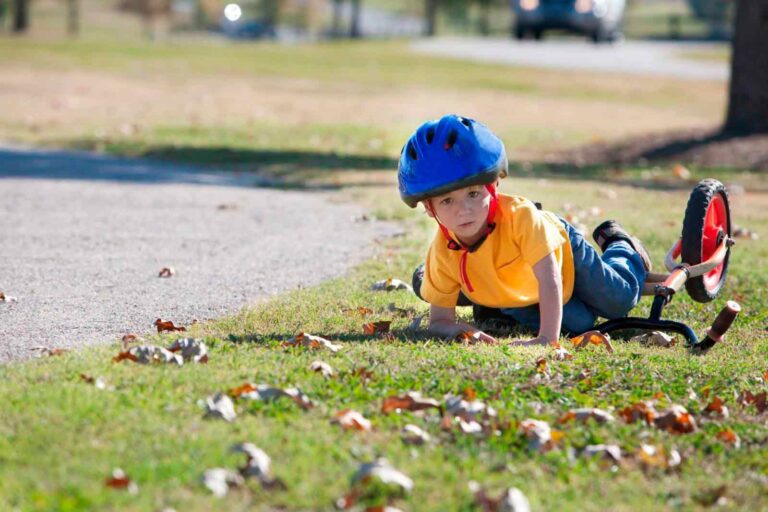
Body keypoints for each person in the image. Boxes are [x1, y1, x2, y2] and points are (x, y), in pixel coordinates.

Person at [399, 114, 651, 345]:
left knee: (618, 300)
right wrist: (463, 329)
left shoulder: (523, 219)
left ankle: (620, 244)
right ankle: (495, 307)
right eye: (447, 201)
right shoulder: (443, 251)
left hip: (562, 251)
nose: (464, 209)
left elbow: (550, 277)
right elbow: (439, 321)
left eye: (473, 194)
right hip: (513, 287)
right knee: (579, 323)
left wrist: (547, 338)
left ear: (493, 187)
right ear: (430, 209)